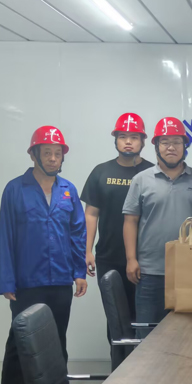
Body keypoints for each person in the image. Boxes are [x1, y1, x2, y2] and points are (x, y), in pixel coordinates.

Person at [0, 126, 87, 384]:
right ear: (33, 155)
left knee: (56, 340)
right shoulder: (15, 189)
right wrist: (6, 281)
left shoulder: (68, 190)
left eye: (57, 153)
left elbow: (77, 234)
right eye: (47, 152)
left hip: (60, 281)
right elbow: (5, 236)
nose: (52, 158)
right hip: (27, 282)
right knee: (20, 342)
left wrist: (79, 272)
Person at [122, 117, 192, 337]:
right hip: (150, 272)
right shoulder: (141, 180)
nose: (171, 147)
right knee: (147, 339)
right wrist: (131, 259)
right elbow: (130, 221)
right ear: (156, 146)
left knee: (190, 336)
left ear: (185, 146)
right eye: (165, 142)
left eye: (177, 142)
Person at [81, 113, 154, 344]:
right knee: (115, 320)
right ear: (115, 140)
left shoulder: (152, 172)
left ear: (143, 141)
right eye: (123, 136)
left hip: (145, 259)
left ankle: (143, 366)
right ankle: (118, 365)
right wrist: (87, 250)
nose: (128, 142)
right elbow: (91, 214)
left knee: (143, 318)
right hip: (109, 257)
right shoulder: (101, 172)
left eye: (134, 137)